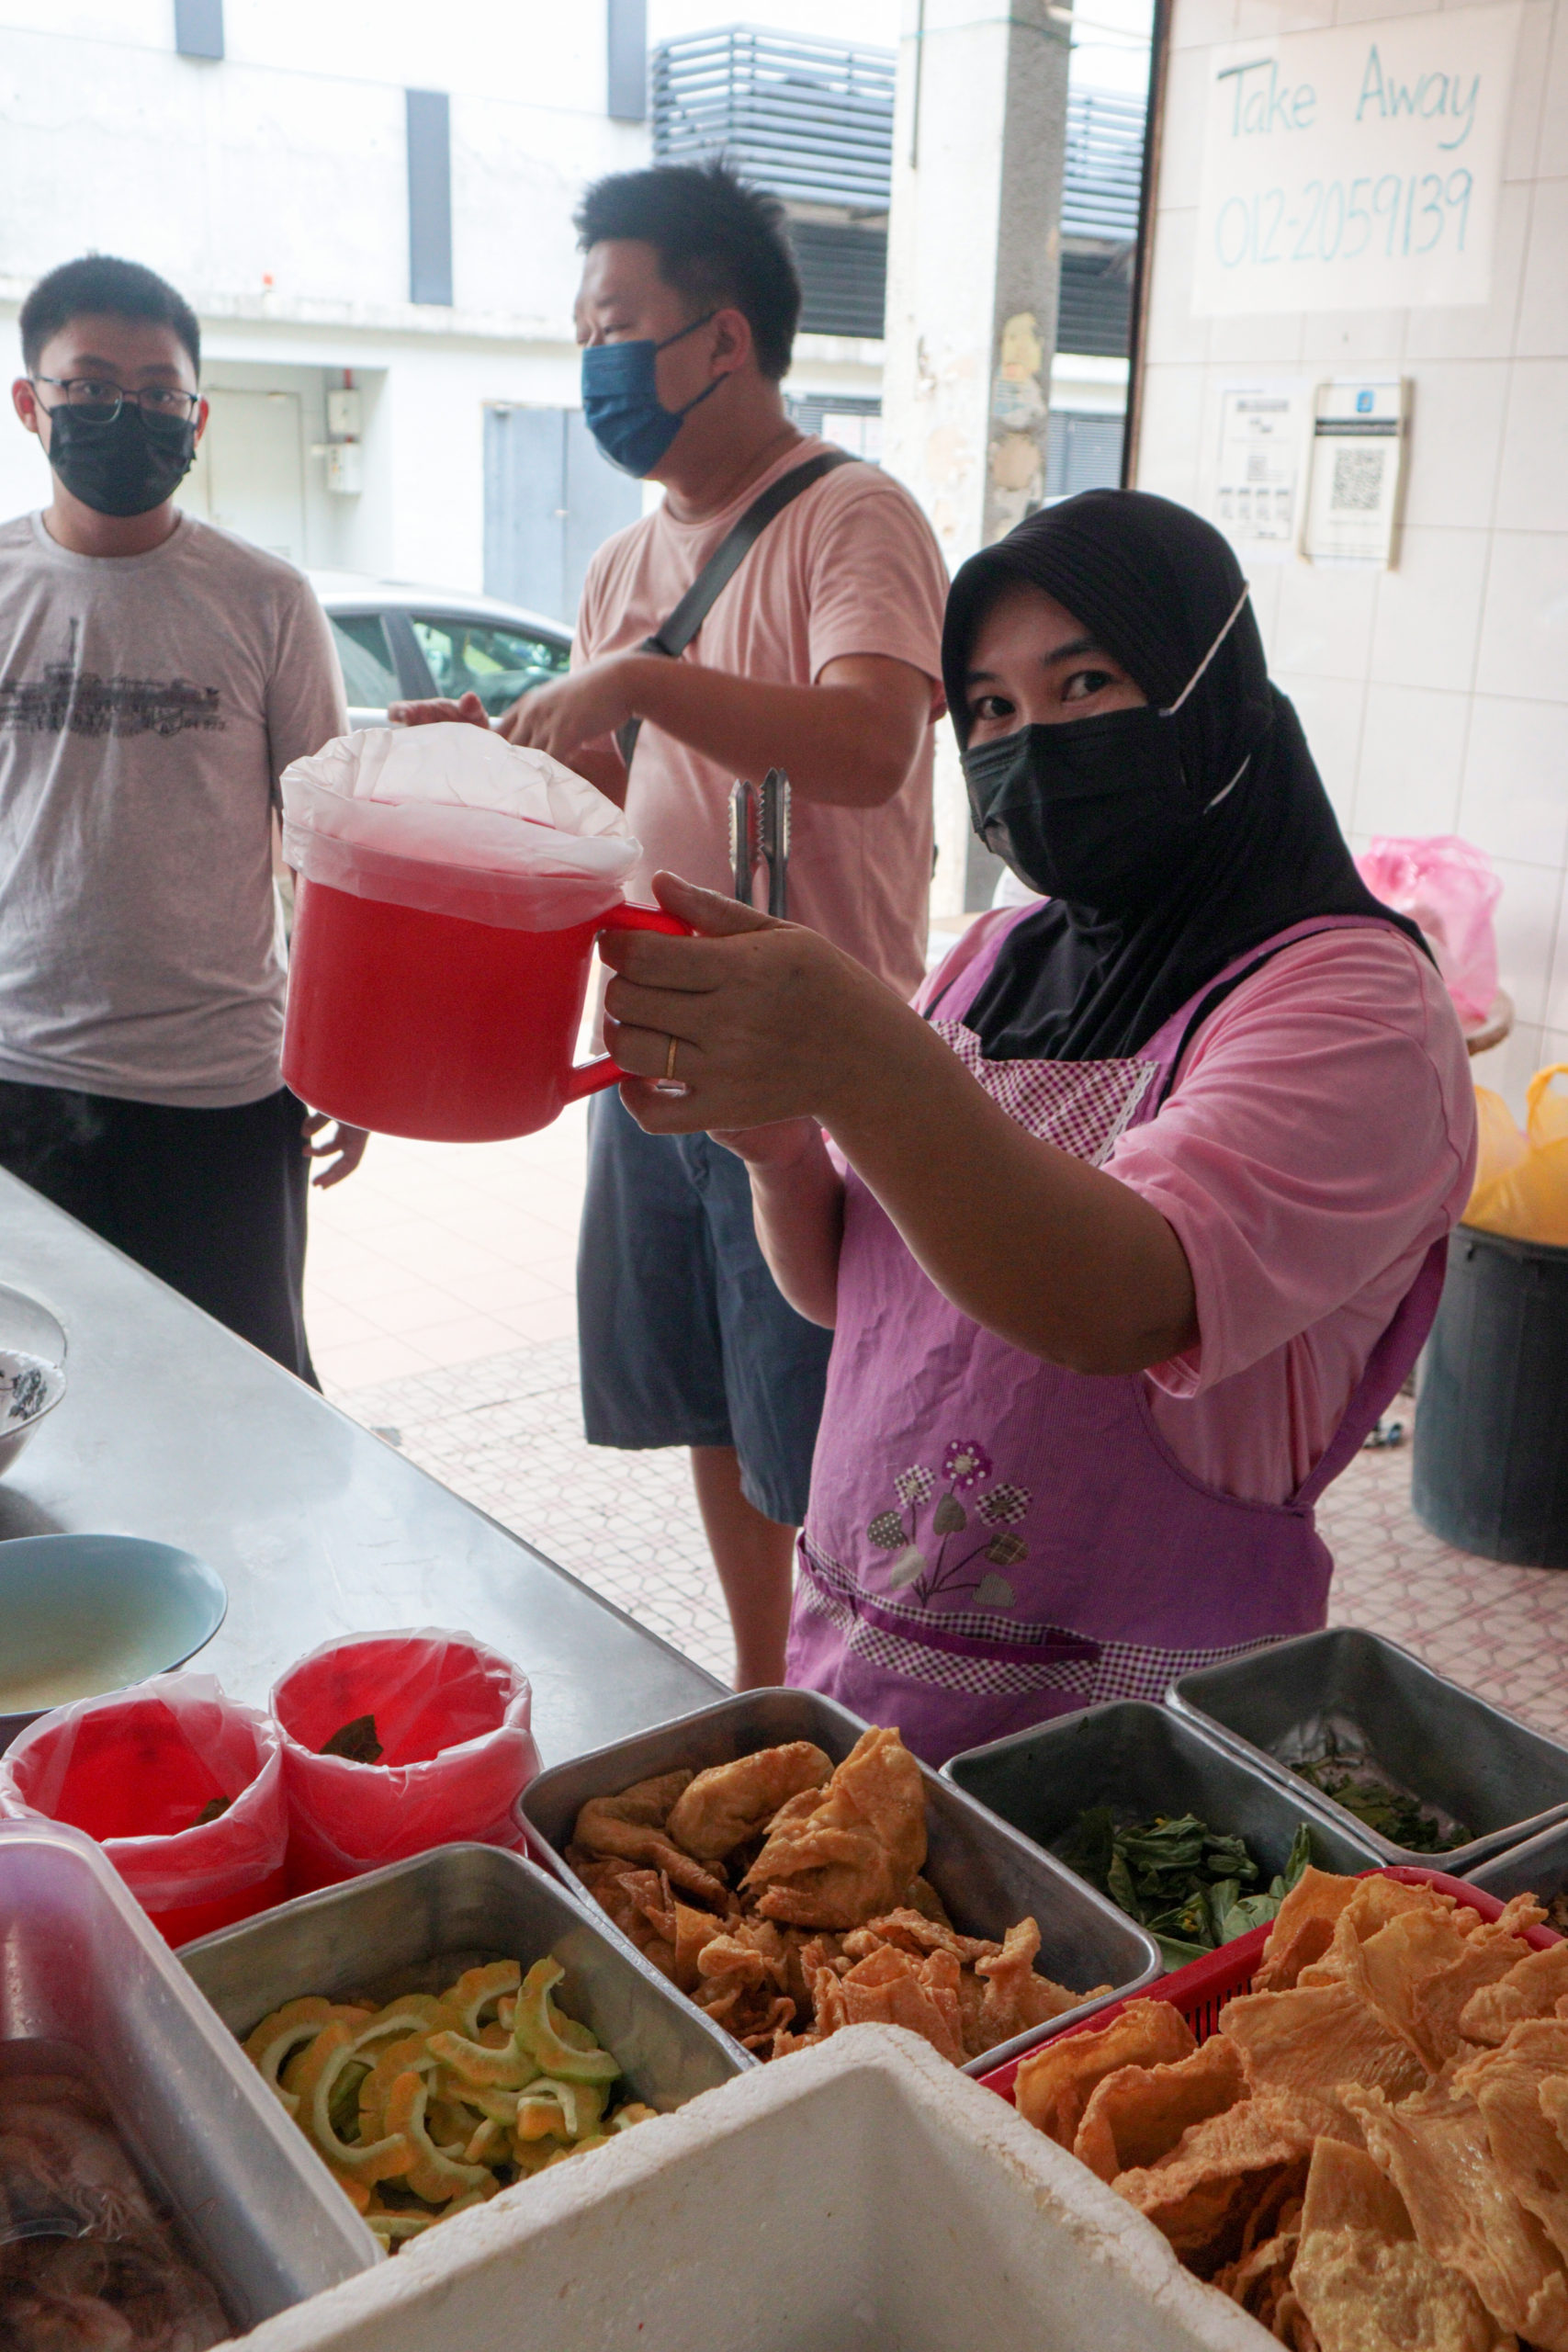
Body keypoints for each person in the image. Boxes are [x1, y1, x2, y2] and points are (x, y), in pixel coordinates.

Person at [591, 489, 1479, 1764]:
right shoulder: (994, 956)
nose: (1033, 743)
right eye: (993, 710)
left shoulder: (1351, 1004)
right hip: (862, 1693)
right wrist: (783, 1152)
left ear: (1206, 689)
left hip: (1130, 1759)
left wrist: (860, 1054)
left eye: (1086, 684)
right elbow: (858, 1299)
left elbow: (1118, 1299)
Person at [394, 163, 947, 1690]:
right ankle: (766, 1681)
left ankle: (864, 1696)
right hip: (653, 1036)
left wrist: (636, 680)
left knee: (827, 1406)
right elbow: (608, 795)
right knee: (707, 1393)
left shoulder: (854, 517)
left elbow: (869, 745)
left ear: (721, 338)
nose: (592, 360)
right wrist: (500, 749)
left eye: (615, 322)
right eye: (579, 328)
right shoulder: (622, 564)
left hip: (817, 1062)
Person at [0, 254, 365, 1380]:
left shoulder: (267, 599)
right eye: (92, 385)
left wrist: (347, 1051)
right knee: (42, 1408)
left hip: (222, 1092)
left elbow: (330, 848)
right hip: (18, 1074)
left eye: (161, 393)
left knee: (240, 1403)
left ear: (197, 414)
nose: (131, 415)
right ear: (30, 402)